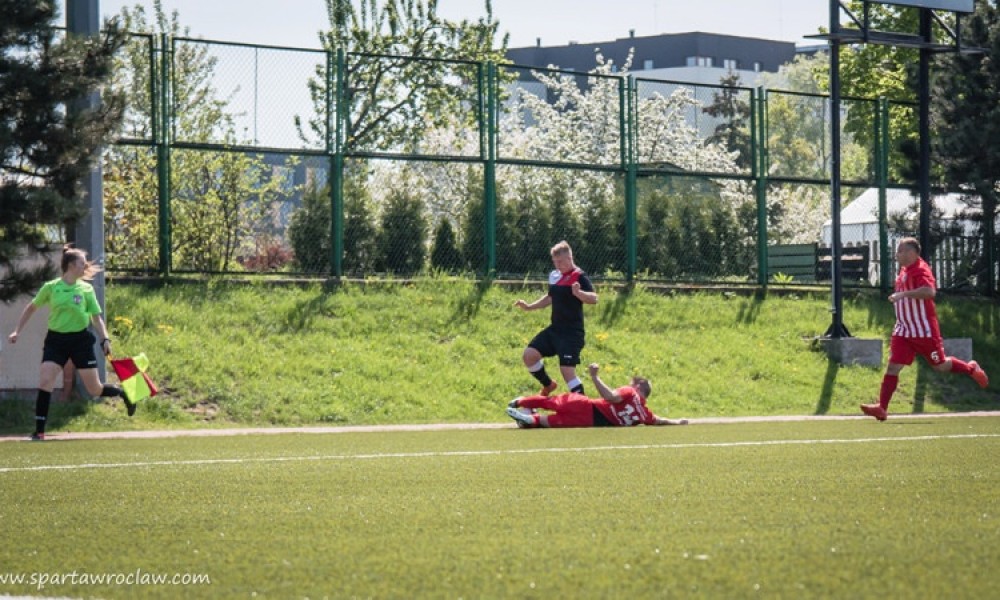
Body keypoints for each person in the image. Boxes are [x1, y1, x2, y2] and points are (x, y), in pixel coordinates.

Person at [8, 245, 135, 440]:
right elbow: (31, 308)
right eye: (81, 263)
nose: (85, 266)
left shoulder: (86, 289)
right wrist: (17, 330)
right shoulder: (51, 287)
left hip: (80, 341)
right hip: (56, 340)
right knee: (45, 379)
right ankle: (39, 431)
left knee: (94, 389)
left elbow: (96, 318)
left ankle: (122, 393)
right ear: (70, 265)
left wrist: (105, 338)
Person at [861, 237, 989, 421]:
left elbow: (929, 292)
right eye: (898, 251)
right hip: (904, 330)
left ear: (912, 253)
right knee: (893, 366)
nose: (898, 254)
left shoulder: (920, 269)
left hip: (924, 332)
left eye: (901, 250)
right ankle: (882, 408)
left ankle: (970, 368)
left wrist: (903, 294)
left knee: (940, 365)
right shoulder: (904, 270)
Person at [514, 241, 597, 397]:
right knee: (529, 355)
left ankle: (583, 408)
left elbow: (594, 298)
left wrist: (579, 294)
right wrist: (529, 306)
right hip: (555, 330)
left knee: (567, 372)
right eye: (555, 262)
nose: (557, 265)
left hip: (571, 333)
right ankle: (548, 384)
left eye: (560, 261)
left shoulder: (579, 276)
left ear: (569, 258)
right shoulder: (555, 276)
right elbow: (550, 297)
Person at [506, 363, 688, 428]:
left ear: (638, 386)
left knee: (553, 402)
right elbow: (659, 420)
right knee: (551, 422)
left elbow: (611, 397)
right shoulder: (644, 414)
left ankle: (519, 401)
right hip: (592, 423)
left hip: (590, 406)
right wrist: (678, 421)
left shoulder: (631, 392)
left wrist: (595, 376)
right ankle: (531, 420)